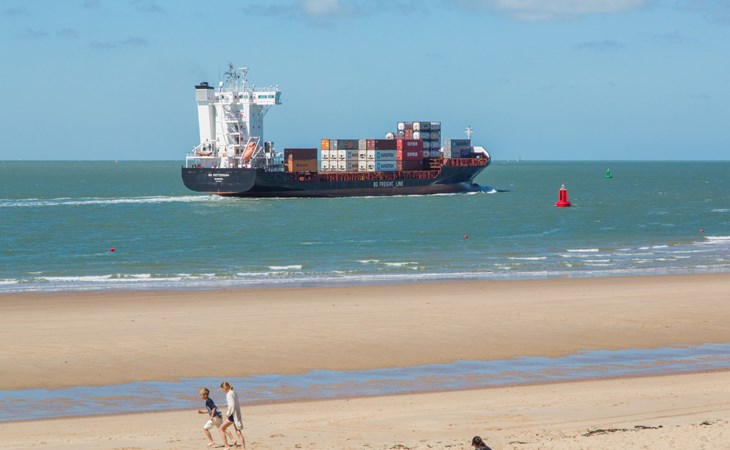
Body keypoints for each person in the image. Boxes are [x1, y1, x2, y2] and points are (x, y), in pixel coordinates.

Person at [219, 381, 246, 450]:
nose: (222, 391)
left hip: (232, 415)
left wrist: (228, 414)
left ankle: (226, 446)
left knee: (221, 428)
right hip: (237, 414)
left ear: (224, 388)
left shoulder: (229, 394)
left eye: (222, 389)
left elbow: (231, 406)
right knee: (238, 432)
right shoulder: (234, 392)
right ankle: (243, 448)